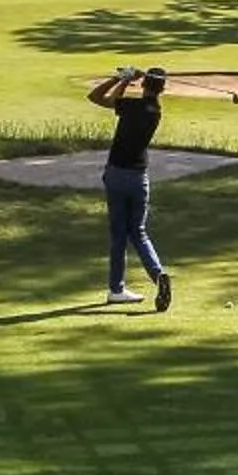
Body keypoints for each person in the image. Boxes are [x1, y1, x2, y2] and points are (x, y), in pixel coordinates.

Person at [86, 65, 176, 310]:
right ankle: (158, 275)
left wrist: (122, 78)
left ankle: (116, 289)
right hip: (139, 178)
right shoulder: (155, 111)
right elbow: (116, 101)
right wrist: (130, 81)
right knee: (138, 231)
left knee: (118, 235)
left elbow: (96, 97)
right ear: (162, 89)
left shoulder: (131, 106)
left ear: (144, 85)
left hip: (116, 174)